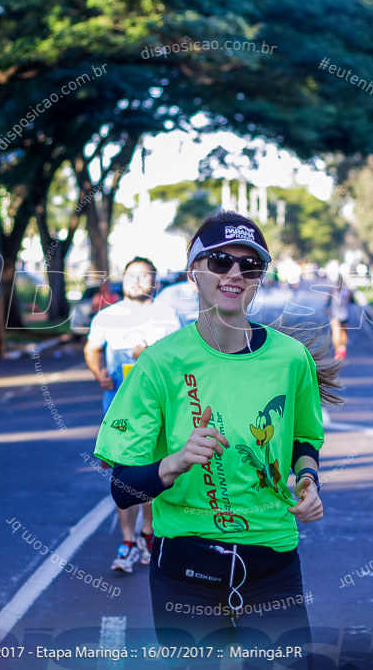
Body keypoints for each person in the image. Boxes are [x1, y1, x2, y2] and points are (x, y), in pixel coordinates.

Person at [94, 211, 340, 655]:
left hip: (272, 563)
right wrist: (175, 462)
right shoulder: (160, 364)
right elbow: (123, 488)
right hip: (186, 570)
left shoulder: (291, 359)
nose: (234, 274)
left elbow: (305, 440)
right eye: (221, 260)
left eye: (250, 266)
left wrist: (309, 480)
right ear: (194, 272)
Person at [85, 258, 179, 573]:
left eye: (144, 275)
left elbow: (178, 359)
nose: (136, 280)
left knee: (151, 473)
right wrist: (98, 373)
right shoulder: (107, 317)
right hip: (118, 410)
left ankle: (148, 534)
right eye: (131, 275)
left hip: (157, 410)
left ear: (154, 282)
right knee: (123, 476)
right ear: (122, 281)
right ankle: (127, 541)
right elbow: (91, 348)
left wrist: (149, 353)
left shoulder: (166, 316)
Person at [327, 275, 353, 360]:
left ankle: (342, 348)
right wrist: (327, 308)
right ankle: (338, 351)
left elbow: (351, 301)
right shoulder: (333, 291)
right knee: (336, 333)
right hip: (335, 315)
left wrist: (349, 296)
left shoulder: (347, 292)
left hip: (344, 314)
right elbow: (328, 301)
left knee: (343, 333)